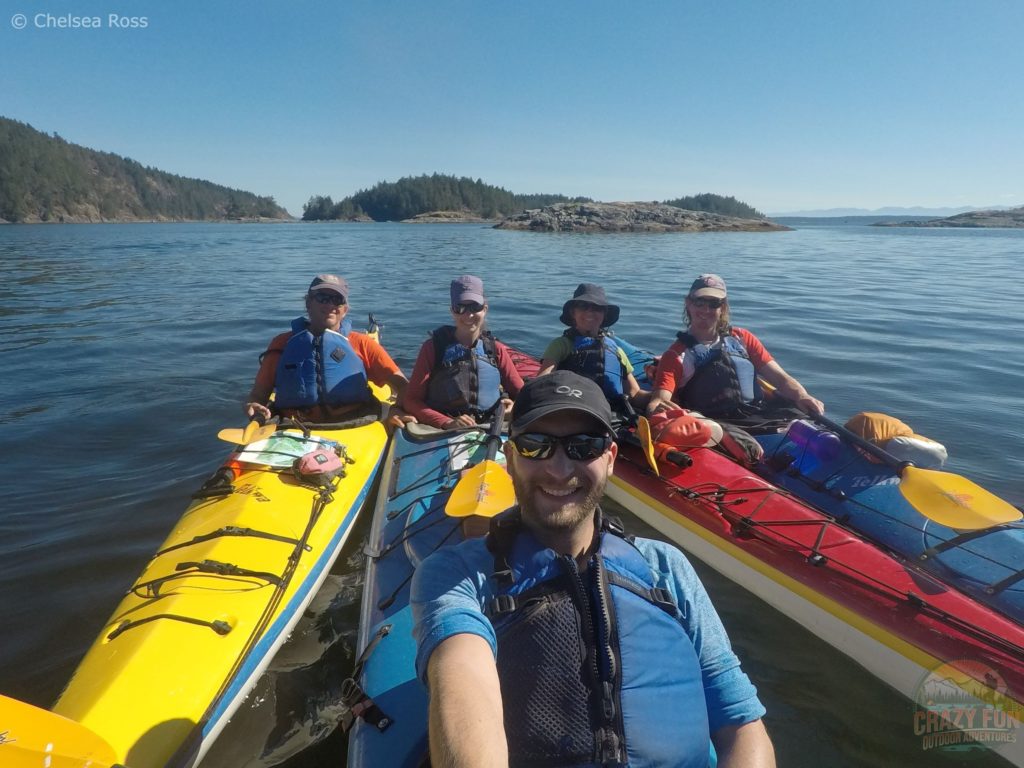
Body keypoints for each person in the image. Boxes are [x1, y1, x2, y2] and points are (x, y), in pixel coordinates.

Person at [411, 371, 775, 768]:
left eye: (584, 446)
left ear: (611, 460)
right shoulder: (457, 576)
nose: (559, 469)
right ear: (511, 458)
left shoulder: (665, 567)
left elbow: (741, 723)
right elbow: (461, 670)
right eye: (536, 446)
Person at [648, 274, 824, 429]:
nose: (705, 310)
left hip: (760, 415)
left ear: (722, 307)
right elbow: (660, 399)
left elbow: (779, 378)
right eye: (699, 302)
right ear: (688, 303)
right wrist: (658, 407)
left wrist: (802, 395)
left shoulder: (743, 338)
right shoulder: (676, 355)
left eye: (714, 303)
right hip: (716, 427)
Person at [245, 274, 410, 424]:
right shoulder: (281, 344)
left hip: (355, 424)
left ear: (345, 310)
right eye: (323, 298)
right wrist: (254, 406)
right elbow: (258, 395)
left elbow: (404, 387)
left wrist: (397, 410)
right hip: (293, 426)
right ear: (308, 303)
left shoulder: (363, 344)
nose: (330, 304)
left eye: (337, 299)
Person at [401, 275, 524, 430]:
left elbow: (522, 393)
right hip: (444, 430)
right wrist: (446, 422)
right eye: (461, 308)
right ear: (452, 311)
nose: (468, 315)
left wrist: (514, 406)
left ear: (485, 309)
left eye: (475, 307)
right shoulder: (433, 348)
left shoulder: (496, 349)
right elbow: (411, 400)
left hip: (490, 428)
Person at [538, 282, 651, 419]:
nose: (590, 312)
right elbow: (541, 383)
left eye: (597, 308)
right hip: (573, 413)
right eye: (583, 306)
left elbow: (634, 394)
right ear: (573, 313)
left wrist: (659, 397)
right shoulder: (561, 345)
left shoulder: (616, 350)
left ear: (604, 314)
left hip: (612, 417)